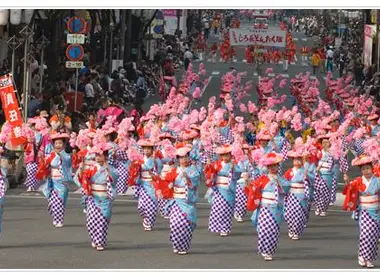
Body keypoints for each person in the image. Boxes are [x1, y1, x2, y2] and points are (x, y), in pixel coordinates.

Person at [156, 143, 202, 255]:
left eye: (186, 156)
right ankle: (177, 244)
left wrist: (188, 178)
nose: (184, 159)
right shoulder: (174, 171)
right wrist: (158, 183)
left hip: (188, 201)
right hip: (176, 201)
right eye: (181, 157)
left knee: (187, 224)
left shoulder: (193, 170)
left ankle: (183, 246)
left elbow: (195, 182)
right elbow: (165, 181)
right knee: (175, 223)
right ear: (178, 159)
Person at [246, 152, 290, 261]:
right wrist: (248, 184)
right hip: (264, 208)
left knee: (273, 230)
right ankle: (264, 249)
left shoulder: (281, 178)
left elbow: (287, 188)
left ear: (278, 166)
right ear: (267, 167)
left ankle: (270, 251)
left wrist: (279, 183)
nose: (273, 168)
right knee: (263, 230)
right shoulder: (262, 178)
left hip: (275, 208)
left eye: (275, 165)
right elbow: (254, 189)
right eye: (270, 166)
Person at [342, 154, 380, 268]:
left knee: (374, 236)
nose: (366, 171)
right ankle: (362, 256)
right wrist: (347, 181)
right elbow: (349, 188)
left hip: (376, 212)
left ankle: (369, 258)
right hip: (365, 211)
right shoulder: (358, 181)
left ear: (372, 168)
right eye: (363, 169)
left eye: (368, 168)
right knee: (365, 234)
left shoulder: (378, 180)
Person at [82, 143, 117, 251]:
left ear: (105, 156)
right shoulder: (91, 168)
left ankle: (100, 242)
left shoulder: (110, 168)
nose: (98, 157)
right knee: (91, 222)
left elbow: (114, 182)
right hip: (93, 198)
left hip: (105, 198)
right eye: (96, 155)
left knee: (102, 222)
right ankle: (95, 239)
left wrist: (108, 171)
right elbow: (83, 179)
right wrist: (80, 170)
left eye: (100, 155)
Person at [36, 132, 72, 228]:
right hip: (52, 181)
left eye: (60, 143)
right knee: (53, 202)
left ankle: (59, 220)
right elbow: (45, 166)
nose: (58, 145)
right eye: (56, 143)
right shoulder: (51, 155)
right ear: (53, 145)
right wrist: (42, 160)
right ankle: (56, 218)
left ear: (64, 144)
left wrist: (60, 157)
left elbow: (67, 163)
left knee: (60, 201)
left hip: (62, 181)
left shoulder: (66, 156)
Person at [204, 144, 242, 237]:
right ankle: (217, 226)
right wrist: (208, 166)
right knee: (217, 209)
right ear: (220, 156)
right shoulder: (217, 164)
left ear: (230, 155)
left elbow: (237, 175)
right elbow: (211, 172)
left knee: (226, 209)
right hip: (218, 189)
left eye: (227, 155)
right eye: (223, 155)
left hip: (228, 189)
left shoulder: (233, 164)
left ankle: (225, 228)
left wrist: (233, 169)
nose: (225, 157)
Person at [128, 139, 163, 231]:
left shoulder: (156, 160)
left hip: (152, 184)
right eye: (145, 148)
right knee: (141, 206)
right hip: (143, 184)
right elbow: (134, 171)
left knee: (151, 206)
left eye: (149, 148)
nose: (146, 150)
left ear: (152, 150)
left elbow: (159, 170)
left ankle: (148, 222)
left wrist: (155, 166)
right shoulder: (140, 159)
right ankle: (145, 218)